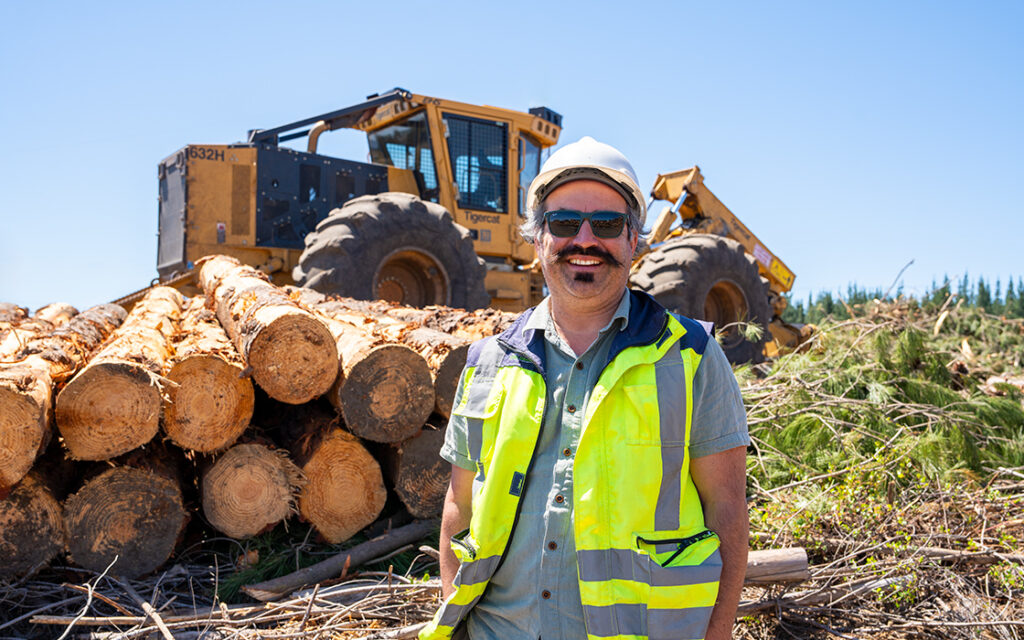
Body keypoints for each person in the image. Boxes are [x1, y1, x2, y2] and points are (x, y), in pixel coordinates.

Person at [420, 137, 749, 640]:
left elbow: (727, 512)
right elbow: (459, 508)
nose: (586, 240)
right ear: (538, 239)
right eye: (565, 223)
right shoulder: (489, 361)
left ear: (633, 240)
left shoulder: (691, 357)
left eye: (609, 224)